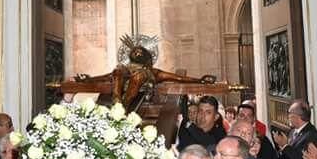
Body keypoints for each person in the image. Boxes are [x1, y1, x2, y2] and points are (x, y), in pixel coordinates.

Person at [74, 35, 216, 107]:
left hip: (137, 94)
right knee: (117, 71)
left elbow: (177, 78)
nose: (136, 52)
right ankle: (117, 102)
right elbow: (105, 77)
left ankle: (123, 105)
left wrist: (199, 80)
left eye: (140, 51)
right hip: (119, 95)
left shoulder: (153, 72)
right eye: (134, 51)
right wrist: (88, 79)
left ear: (146, 58)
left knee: (138, 76)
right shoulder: (123, 68)